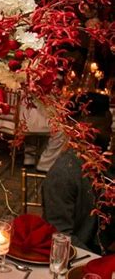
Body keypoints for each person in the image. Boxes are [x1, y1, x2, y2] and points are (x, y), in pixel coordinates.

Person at [42, 93, 113, 252]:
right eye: (106, 128)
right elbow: (60, 236)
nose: (110, 136)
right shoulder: (64, 173)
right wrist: (99, 261)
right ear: (86, 126)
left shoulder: (100, 164)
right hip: (81, 259)